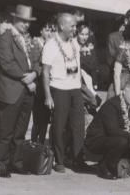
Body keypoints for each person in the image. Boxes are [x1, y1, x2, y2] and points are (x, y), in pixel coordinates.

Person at [0, 5, 42, 178]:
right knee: (5, 131)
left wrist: (35, 72)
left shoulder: (29, 38)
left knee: (20, 131)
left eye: (28, 22)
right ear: (14, 19)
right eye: (23, 21)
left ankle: (16, 162)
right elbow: (6, 62)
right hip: (11, 90)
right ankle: (1, 163)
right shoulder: (6, 36)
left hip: (27, 92)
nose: (26, 25)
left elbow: (37, 59)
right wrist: (26, 78)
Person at [42, 12, 86, 173]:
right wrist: (48, 96)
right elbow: (45, 72)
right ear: (62, 26)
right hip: (58, 89)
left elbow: (76, 67)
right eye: (72, 26)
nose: (75, 29)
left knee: (78, 126)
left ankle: (77, 158)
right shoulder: (51, 45)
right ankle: (58, 160)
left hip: (75, 89)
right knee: (59, 126)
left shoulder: (75, 44)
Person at [85, 78, 130, 180]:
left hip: (113, 139)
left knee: (129, 141)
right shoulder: (112, 105)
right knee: (122, 141)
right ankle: (104, 166)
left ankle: (118, 164)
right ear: (124, 90)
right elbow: (112, 130)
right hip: (96, 140)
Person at [30, 22, 55, 144]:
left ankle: (41, 143)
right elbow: (35, 64)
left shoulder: (51, 44)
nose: (49, 33)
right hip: (38, 84)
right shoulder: (35, 44)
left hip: (48, 85)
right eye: (46, 30)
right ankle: (33, 142)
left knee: (45, 118)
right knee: (37, 118)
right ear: (41, 31)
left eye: (51, 30)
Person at [78, 22, 109, 91]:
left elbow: (94, 65)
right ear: (77, 34)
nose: (84, 37)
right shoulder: (74, 47)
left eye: (86, 34)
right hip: (79, 81)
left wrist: (95, 83)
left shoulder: (90, 47)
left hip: (91, 81)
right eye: (82, 34)